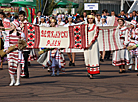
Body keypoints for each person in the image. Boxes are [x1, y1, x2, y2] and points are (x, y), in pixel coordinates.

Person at [4, 20, 26, 86]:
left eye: (12, 25)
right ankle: (12, 79)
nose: (10, 26)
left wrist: (19, 47)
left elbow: (23, 43)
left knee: (18, 65)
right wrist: (7, 49)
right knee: (10, 64)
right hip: (10, 51)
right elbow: (6, 42)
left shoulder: (21, 34)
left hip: (17, 51)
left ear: (15, 26)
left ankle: (18, 80)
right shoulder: (9, 33)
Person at [19, 11, 30, 78]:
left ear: (24, 16)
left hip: (26, 43)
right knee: (20, 59)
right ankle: (21, 72)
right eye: (19, 16)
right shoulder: (18, 24)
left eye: (22, 16)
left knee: (25, 58)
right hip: (19, 43)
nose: (20, 18)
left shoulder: (27, 24)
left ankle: (25, 72)